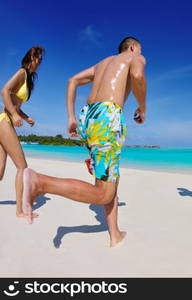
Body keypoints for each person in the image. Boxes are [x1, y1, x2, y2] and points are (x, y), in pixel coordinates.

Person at [22, 37, 147, 247]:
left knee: (108, 176)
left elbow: (72, 80)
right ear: (132, 47)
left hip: (88, 116)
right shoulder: (134, 56)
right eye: (140, 49)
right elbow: (138, 76)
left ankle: (114, 234)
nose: (140, 53)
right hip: (108, 115)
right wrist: (142, 107)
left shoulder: (102, 64)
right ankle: (40, 183)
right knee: (104, 193)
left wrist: (70, 117)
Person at [0, 46, 45, 218]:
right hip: (5, 120)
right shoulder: (21, 73)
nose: (39, 61)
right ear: (29, 58)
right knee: (22, 167)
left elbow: (16, 104)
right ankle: (19, 211)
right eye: (37, 57)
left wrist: (25, 117)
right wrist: (13, 114)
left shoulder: (28, 79)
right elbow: (5, 91)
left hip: (6, 121)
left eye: (40, 59)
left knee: (0, 172)